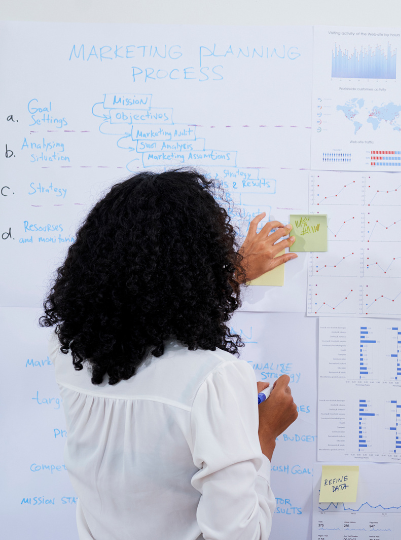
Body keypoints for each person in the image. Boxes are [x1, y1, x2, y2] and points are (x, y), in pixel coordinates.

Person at [40, 169, 300, 540]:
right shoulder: (215, 379)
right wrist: (264, 434)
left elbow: (140, 303)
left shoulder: (69, 351)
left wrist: (228, 277)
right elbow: (239, 535)